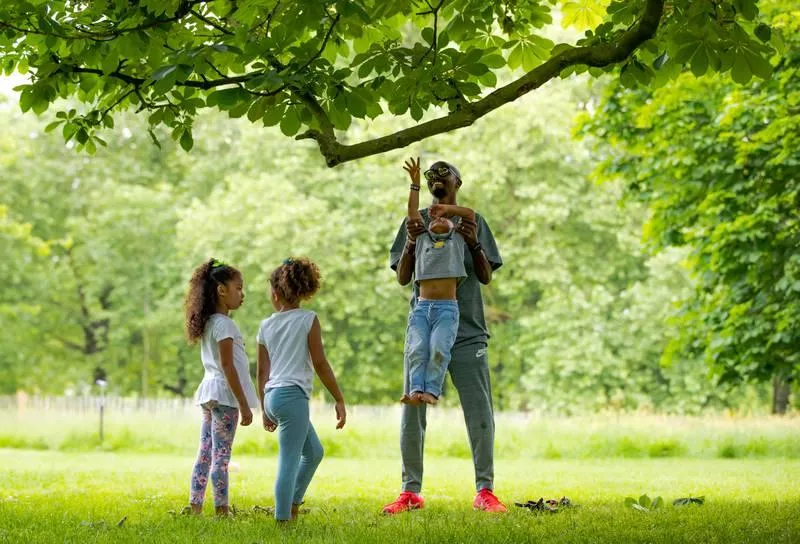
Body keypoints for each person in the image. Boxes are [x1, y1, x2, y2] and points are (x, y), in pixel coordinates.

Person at [383, 158, 507, 514]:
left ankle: (485, 491)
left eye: (444, 172)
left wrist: (474, 245)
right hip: (424, 323)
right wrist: (409, 244)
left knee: (479, 412)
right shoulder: (416, 220)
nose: (437, 177)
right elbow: (403, 277)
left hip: (468, 332)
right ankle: (410, 493)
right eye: (431, 174)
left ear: (457, 181)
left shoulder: (473, 221)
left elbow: (485, 277)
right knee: (413, 411)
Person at [256, 257, 347, 522]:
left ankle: (292, 503)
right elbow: (319, 362)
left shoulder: (265, 326)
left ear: (275, 295)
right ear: (303, 291)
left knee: (314, 452)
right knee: (289, 461)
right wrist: (338, 398)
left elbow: (262, 373)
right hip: (293, 398)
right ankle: (283, 519)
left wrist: (264, 409)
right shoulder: (308, 319)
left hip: (273, 397)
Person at [183, 258, 259, 516]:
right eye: (238, 288)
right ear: (221, 290)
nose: (242, 294)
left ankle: (195, 505)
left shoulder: (209, 324)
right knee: (221, 456)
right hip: (225, 396)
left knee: (205, 452)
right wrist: (243, 404)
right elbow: (229, 366)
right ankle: (221, 510)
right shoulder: (225, 325)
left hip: (209, 393)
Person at [400, 157, 475, 406]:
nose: (439, 218)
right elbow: (412, 213)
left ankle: (431, 391)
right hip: (422, 307)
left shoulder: (457, 240)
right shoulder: (421, 239)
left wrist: (448, 210)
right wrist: (414, 184)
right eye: (435, 218)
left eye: (445, 219)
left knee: (439, 349)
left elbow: (469, 214)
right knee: (417, 349)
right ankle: (415, 391)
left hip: (446, 309)